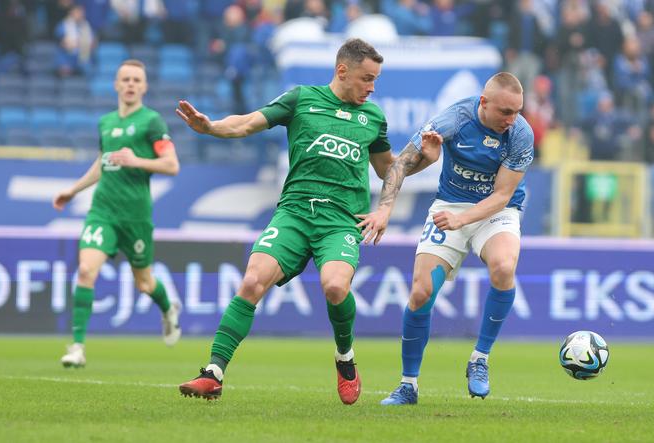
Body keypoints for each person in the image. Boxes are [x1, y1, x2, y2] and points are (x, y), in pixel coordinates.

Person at [175, 38, 428, 404]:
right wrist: (211, 127)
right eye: (366, 78)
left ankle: (345, 358)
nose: (372, 87)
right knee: (252, 280)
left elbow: (389, 169)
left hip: (341, 220)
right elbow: (247, 123)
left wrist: (422, 164)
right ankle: (213, 373)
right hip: (294, 212)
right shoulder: (301, 99)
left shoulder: (372, 117)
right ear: (343, 71)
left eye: (376, 80)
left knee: (335, 288)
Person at [357, 72, 534, 404]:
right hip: (450, 203)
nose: (512, 120)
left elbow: (501, 196)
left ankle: (479, 360)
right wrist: (389, 204)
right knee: (421, 292)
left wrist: (462, 219)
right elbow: (399, 166)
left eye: (517, 112)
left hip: (497, 210)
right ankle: (408, 385)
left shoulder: (521, 134)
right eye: (505, 112)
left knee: (504, 266)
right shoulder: (452, 119)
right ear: (484, 103)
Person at [53, 59, 182, 368]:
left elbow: (172, 165)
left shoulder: (152, 121)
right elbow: (103, 162)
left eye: (137, 80)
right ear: (116, 84)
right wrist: (73, 190)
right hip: (103, 212)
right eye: (125, 79)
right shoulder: (106, 122)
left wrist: (137, 160)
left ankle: (168, 309)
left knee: (145, 283)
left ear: (144, 86)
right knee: (86, 271)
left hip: (135, 216)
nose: (130, 84)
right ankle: (77, 347)